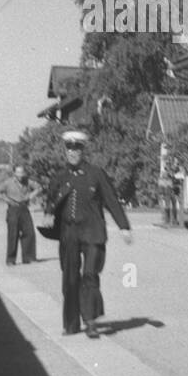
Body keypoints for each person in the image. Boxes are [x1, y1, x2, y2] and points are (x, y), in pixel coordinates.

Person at [45, 131, 132, 339]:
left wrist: (123, 226)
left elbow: (111, 199)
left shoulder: (96, 174)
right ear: (65, 150)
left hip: (92, 232)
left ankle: (91, 321)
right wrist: (48, 213)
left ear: (83, 151)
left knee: (90, 275)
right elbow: (51, 199)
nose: (72, 153)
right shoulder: (60, 176)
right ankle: (72, 324)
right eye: (69, 149)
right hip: (69, 233)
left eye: (76, 149)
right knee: (70, 279)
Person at [0, 164, 39, 265]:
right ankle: (10, 260)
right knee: (13, 234)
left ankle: (28, 258)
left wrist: (30, 196)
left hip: (24, 208)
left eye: (22, 172)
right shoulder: (8, 182)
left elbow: (39, 188)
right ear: (14, 173)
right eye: (18, 172)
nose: (20, 175)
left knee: (29, 232)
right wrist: (6, 199)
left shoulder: (27, 181)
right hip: (13, 209)